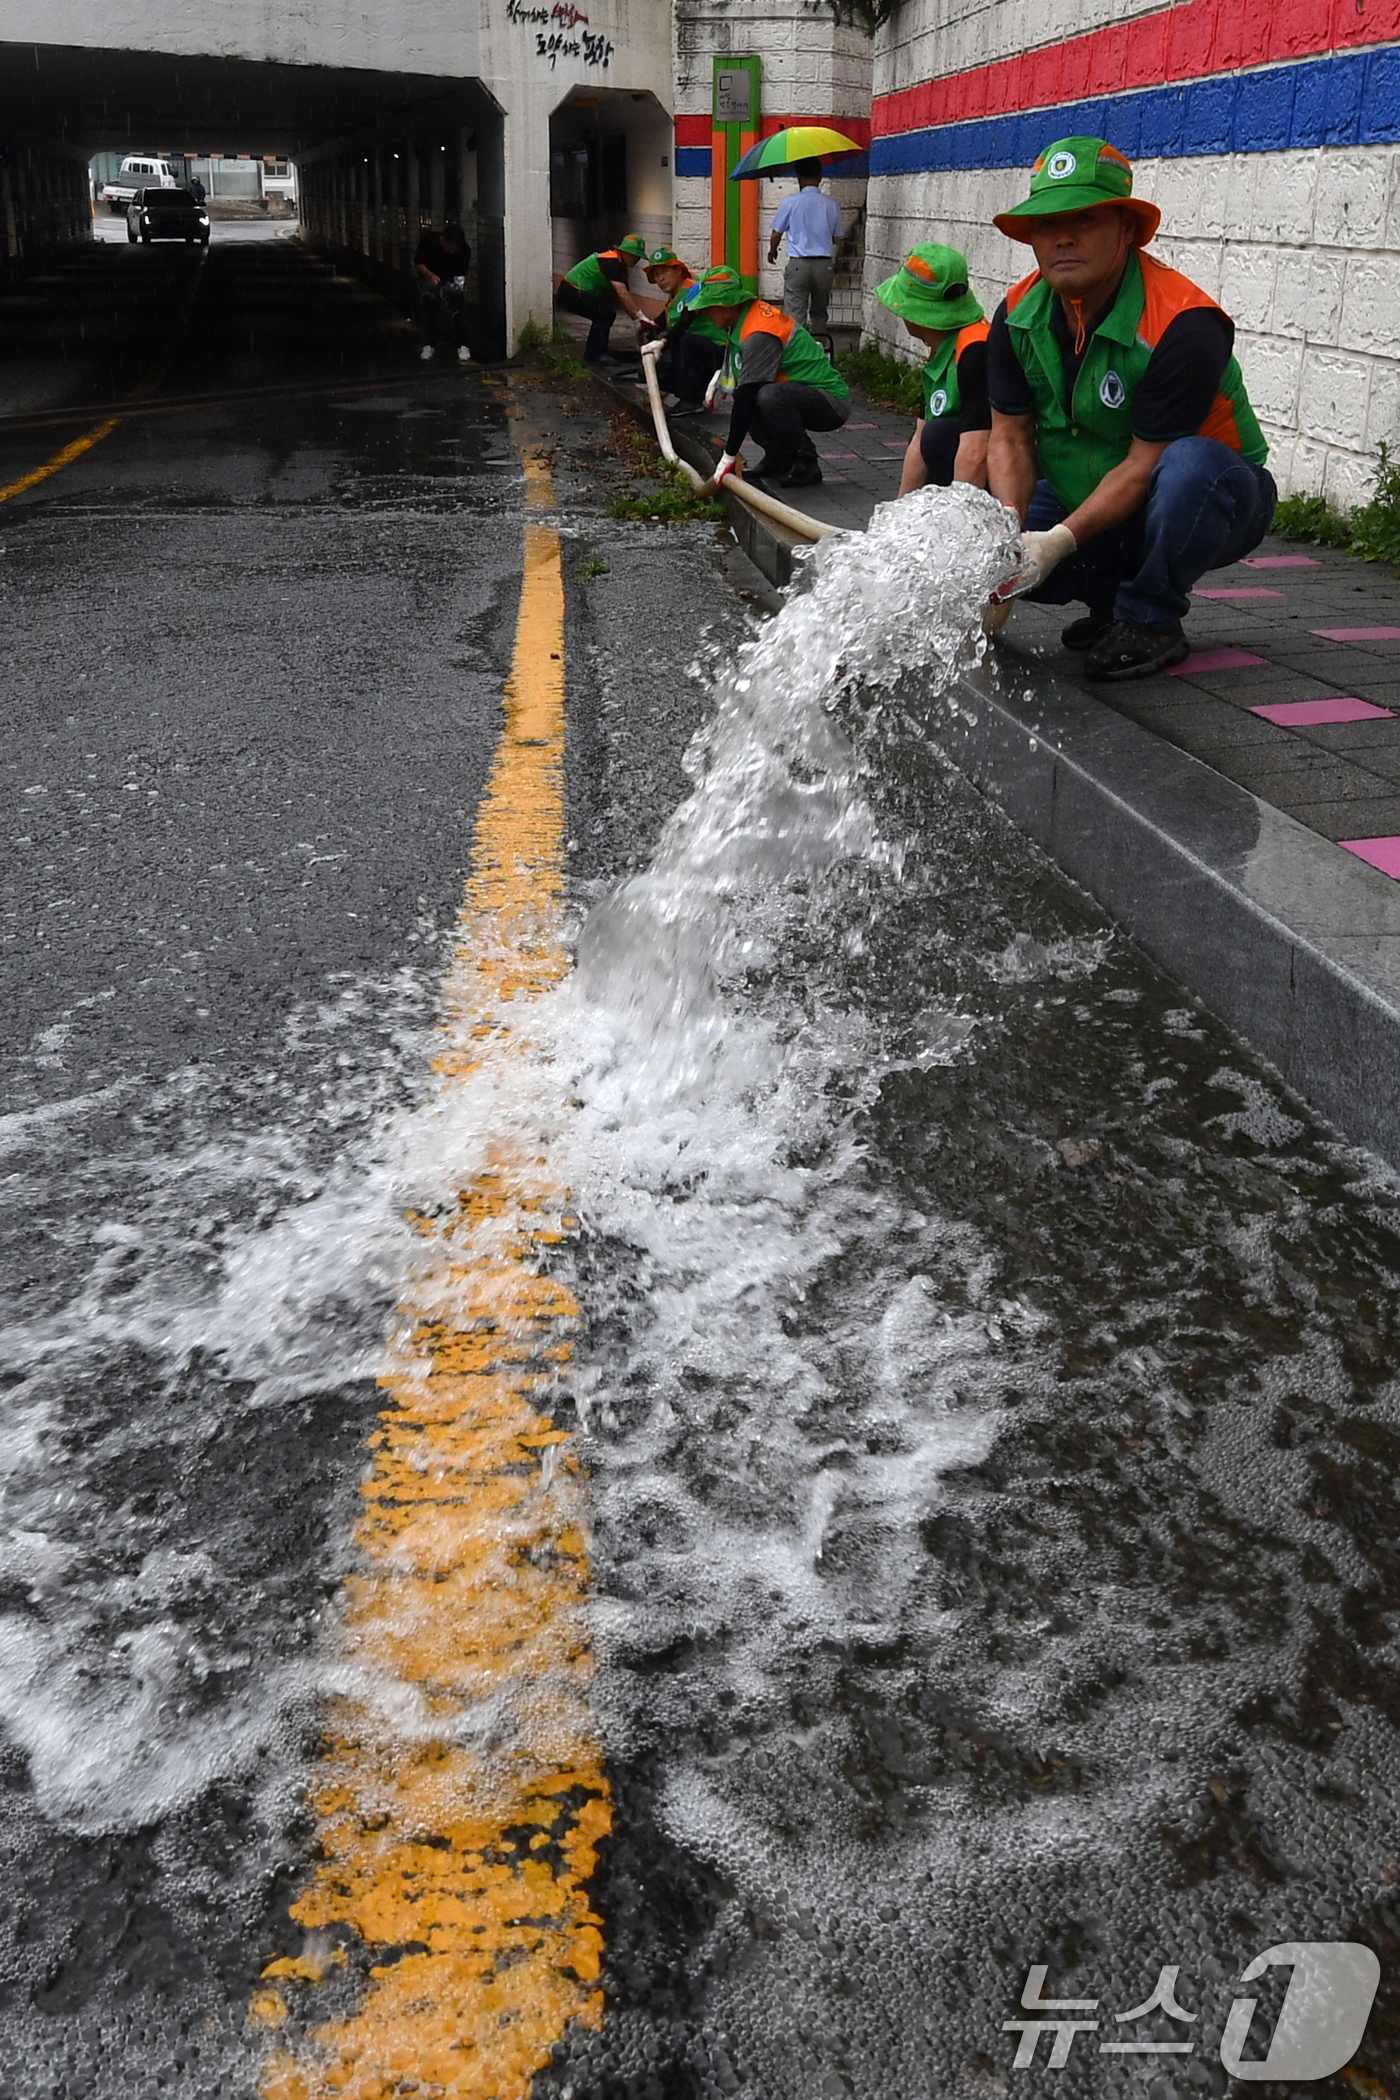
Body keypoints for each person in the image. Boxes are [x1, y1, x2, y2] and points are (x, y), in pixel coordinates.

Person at [985, 136, 1275, 681]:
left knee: (1188, 468)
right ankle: (1112, 606)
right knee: (988, 531)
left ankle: (1151, 618)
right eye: (1046, 223)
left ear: (1126, 229)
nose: (1063, 237)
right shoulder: (1016, 314)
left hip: (1215, 497)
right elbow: (1009, 439)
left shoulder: (1184, 323)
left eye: (1086, 218)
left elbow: (1148, 464)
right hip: (1096, 493)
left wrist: (1056, 542)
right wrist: (1013, 536)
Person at [686, 263, 850, 492]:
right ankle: (778, 458)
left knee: (765, 395)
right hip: (799, 393)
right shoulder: (741, 321)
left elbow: (746, 395)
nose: (704, 313)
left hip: (830, 401)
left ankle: (806, 461)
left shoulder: (758, 332)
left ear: (727, 304)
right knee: (755, 394)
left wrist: (729, 455)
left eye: (708, 307)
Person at [873, 243, 990, 496]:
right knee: (930, 438)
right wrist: (897, 519)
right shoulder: (944, 350)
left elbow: (976, 451)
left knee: (938, 437)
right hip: (969, 457)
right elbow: (919, 438)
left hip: (1011, 476)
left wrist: (959, 518)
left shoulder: (976, 352)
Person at [638, 245, 725, 412]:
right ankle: (692, 389)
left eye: (664, 272)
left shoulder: (694, 289)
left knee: (685, 341)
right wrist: (646, 331)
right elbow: (658, 323)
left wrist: (662, 342)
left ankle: (691, 401)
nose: (660, 279)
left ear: (678, 270)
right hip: (688, 357)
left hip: (712, 353)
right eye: (656, 275)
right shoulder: (673, 300)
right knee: (647, 371)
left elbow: (685, 321)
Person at [767, 159, 843, 336]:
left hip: (799, 265)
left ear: (798, 177)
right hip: (824, 266)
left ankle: (797, 354)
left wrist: (772, 251)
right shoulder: (831, 204)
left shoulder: (790, 202)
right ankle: (820, 350)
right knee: (819, 313)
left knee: (795, 316)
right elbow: (837, 239)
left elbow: (776, 234)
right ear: (820, 177)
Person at [553, 236, 649, 366]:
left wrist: (637, 322)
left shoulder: (617, 263)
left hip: (572, 291)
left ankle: (598, 350)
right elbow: (622, 294)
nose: (637, 260)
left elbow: (625, 297)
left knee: (604, 313)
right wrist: (640, 317)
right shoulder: (612, 263)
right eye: (635, 256)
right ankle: (595, 355)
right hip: (571, 292)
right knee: (605, 313)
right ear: (626, 252)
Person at [413, 222, 472, 364]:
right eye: (451, 248)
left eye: (455, 249)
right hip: (430, 279)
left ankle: (463, 345)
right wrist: (431, 276)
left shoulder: (464, 250)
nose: (453, 251)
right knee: (429, 311)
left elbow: (462, 272)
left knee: (458, 310)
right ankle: (429, 345)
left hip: (450, 280)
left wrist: (458, 285)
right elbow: (418, 262)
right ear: (444, 240)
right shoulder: (428, 241)